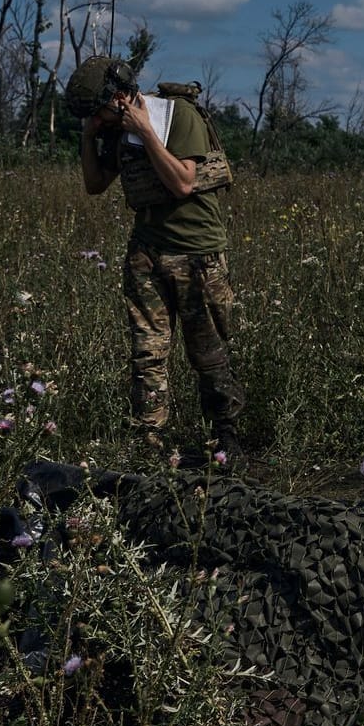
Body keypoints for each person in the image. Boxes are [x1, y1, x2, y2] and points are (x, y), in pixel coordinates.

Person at [66, 56, 243, 465]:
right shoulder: (113, 130)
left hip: (197, 253)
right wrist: (88, 137)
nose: (100, 119)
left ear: (122, 96)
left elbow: (182, 182)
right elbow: (95, 185)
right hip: (146, 252)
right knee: (148, 353)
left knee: (209, 353)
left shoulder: (176, 116)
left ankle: (225, 440)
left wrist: (145, 132)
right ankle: (149, 444)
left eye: (101, 111)